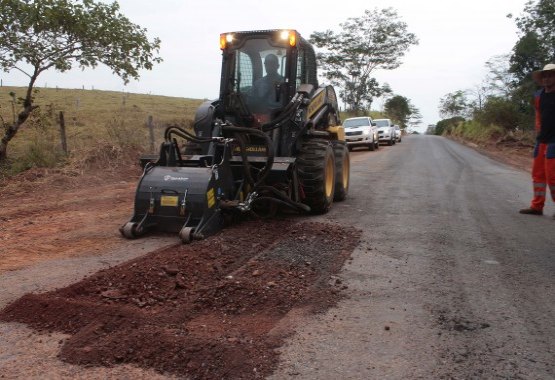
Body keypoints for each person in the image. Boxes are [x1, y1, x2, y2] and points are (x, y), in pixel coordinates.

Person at [519, 63, 555, 218]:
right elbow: (538, 116)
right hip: (542, 140)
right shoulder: (538, 96)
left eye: (550, 75)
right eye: (544, 76)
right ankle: (537, 206)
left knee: (552, 176)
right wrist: (538, 131)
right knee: (538, 175)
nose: (547, 78)